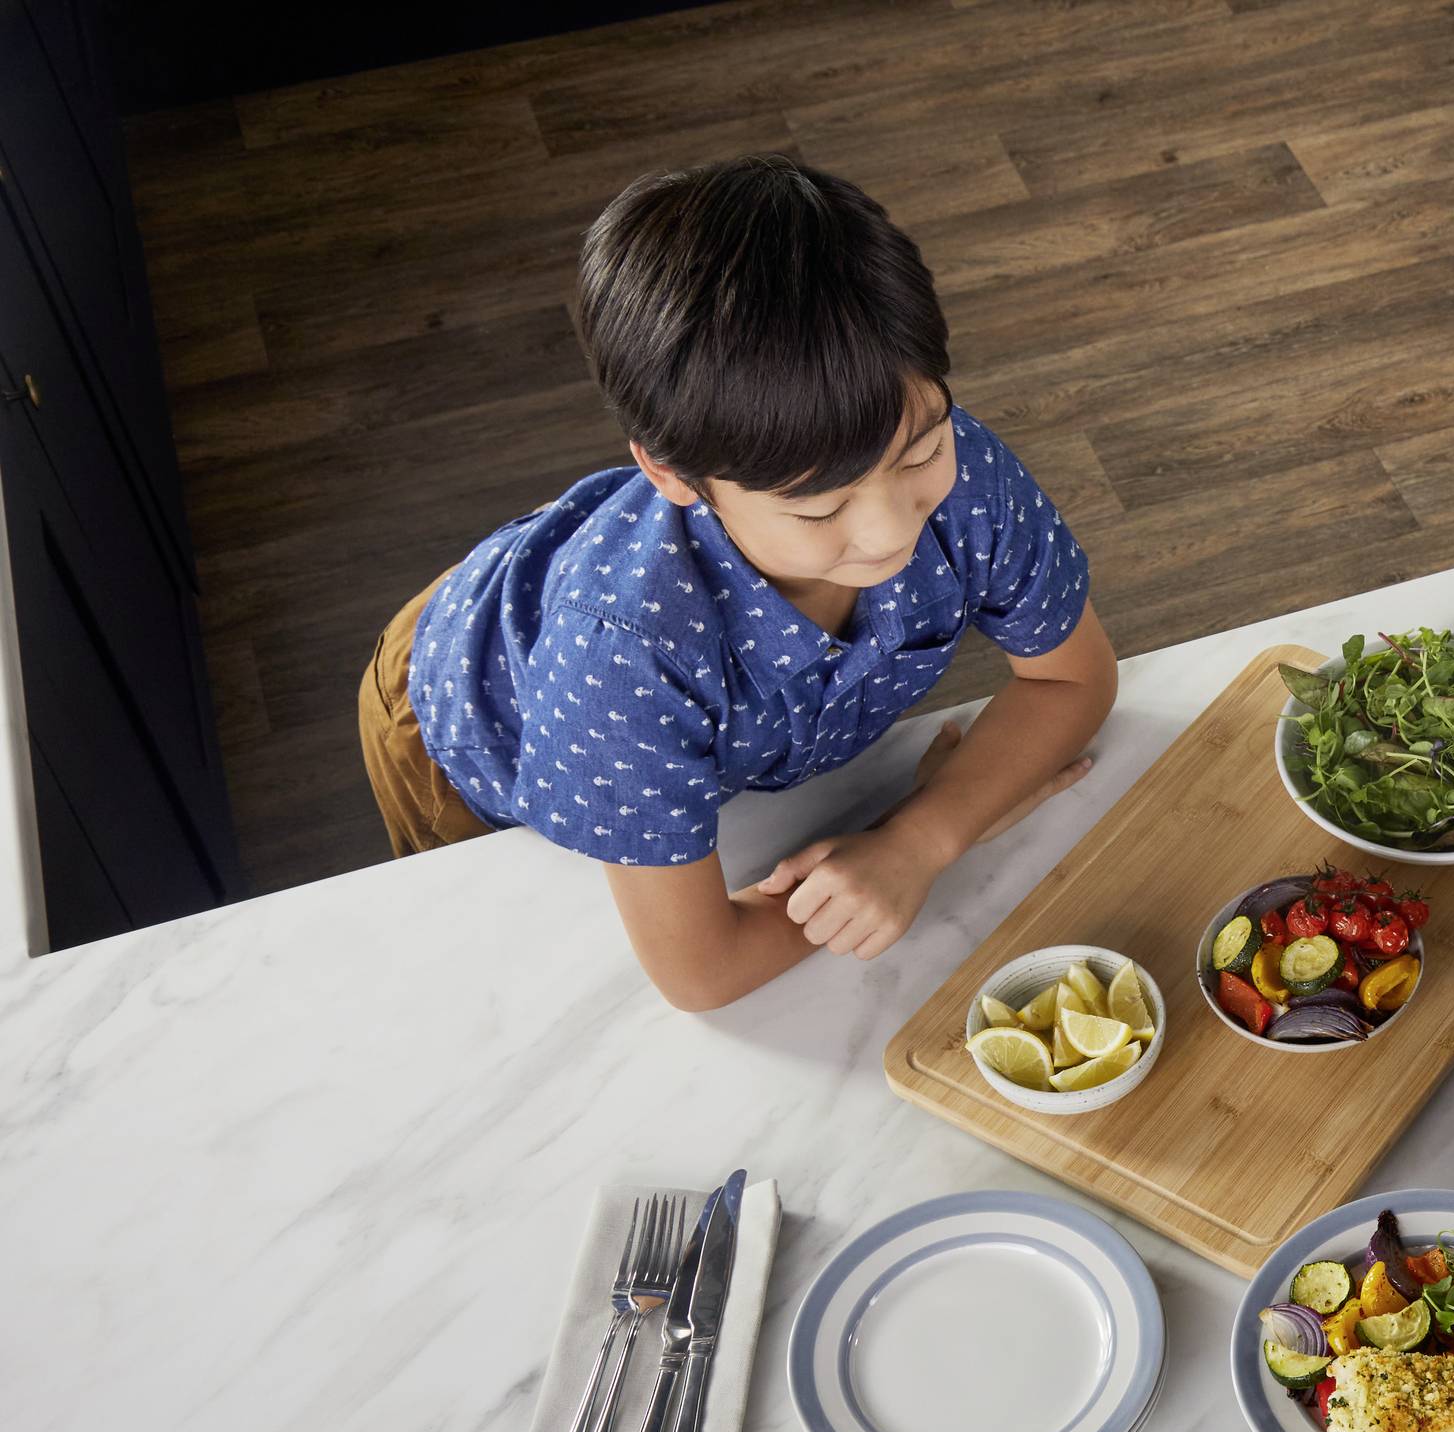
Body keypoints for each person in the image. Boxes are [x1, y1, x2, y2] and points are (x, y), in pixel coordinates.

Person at [353, 155, 1114, 1010]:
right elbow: (700, 972)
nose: (893, 527)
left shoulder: (957, 458)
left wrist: (924, 838)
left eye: (921, 453)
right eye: (821, 510)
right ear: (676, 474)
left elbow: (1076, 676)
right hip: (461, 719)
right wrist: (903, 836)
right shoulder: (620, 663)